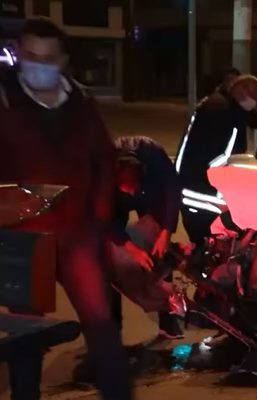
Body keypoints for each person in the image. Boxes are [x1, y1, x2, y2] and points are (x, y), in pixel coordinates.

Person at [0, 17, 132, 400]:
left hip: (79, 235)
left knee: (101, 326)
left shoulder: (81, 101)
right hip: (23, 240)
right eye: (30, 55)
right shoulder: (4, 101)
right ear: (20, 55)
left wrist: (101, 221)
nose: (38, 63)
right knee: (27, 335)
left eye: (47, 56)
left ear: (62, 60)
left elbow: (104, 161)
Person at [110, 135, 184, 339]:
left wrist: (166, 232)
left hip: (152, 195)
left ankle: (168, 320)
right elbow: (104, 219)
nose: (131, 192)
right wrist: (131, 249)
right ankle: (112, 328)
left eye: (133, 186)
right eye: (127, 188)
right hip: (114, 202)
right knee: (108, 261)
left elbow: (172, 192)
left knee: (159, 250)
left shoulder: (154, 157)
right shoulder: (102, 175)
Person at [175, 74, 257, 246]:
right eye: (252, 96)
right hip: (200, 192)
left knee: (206, 243)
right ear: (239, 92)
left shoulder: (221, 104)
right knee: (209, 244)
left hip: (193, 185)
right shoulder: (222, 113)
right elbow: (227, 156)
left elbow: (252, 119)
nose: (255, 101)